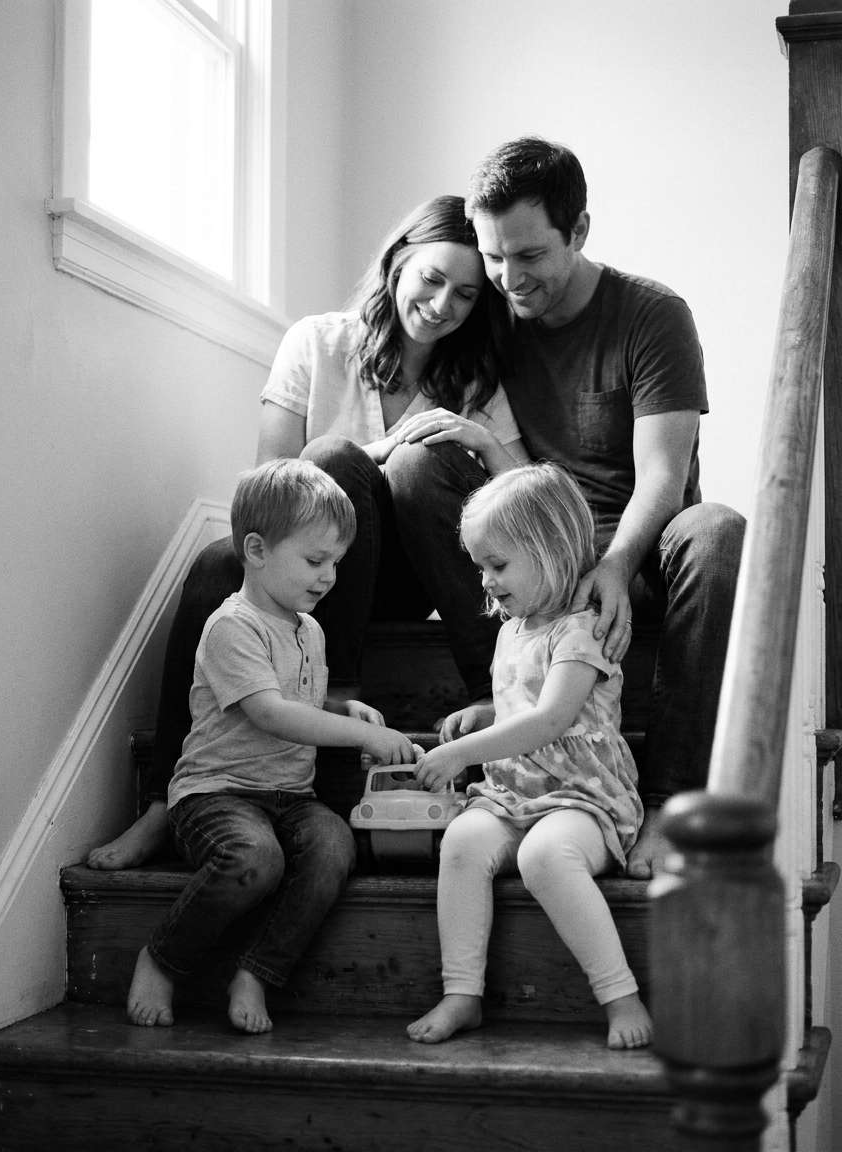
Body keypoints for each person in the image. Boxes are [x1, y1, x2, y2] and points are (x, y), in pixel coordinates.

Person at [89, 194, 527, 872]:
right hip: (313, 577)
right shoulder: (318, 342)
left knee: (414, 464)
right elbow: (268, 485)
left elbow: (529, 502)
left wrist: (485, 443)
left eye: (466, 295)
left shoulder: (474, 380)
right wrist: (370, 456)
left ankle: (486, 687)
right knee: (227, 554)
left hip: (404, 578)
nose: (443, 305)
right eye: (432, 279)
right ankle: (165, 803)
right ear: (398, 262)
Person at [463, 136, 745, 879]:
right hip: (538, 556)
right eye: (493, 256)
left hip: (641, 556)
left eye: (529, 255)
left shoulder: (652, 314)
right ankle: (497, 709)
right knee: (424, 465)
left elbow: (664, 475)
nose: (509, 278)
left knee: (717, 531)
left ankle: (671, 802)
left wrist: (615, 564)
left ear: (579, 231)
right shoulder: (494, 316)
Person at [127, 458, 416, 1032]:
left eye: (336, 562)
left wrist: (342, 710)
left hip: (291, 796)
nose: (329, 577)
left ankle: (257, 972)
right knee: (255, 860)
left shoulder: (310, 628)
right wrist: (366, 735)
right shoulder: (231, 626)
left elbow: (298, 699)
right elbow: (271, 712)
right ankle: (162, 959)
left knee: (334, 848)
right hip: (216, 794)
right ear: (256, 551)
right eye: (315, 560)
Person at [407, 464, 652, 1049]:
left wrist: (462, 752)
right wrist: (483, 715)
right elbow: (520, 705)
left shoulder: (582, 630)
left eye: (497, 565)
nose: (486, 581)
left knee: (545, 855)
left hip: (583, 797)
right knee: (462, 841)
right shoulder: (510, 632)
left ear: (550, 550)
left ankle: (620, 995)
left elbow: (550, 719)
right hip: (514, 793)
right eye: (480, 567)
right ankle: (462, 993)